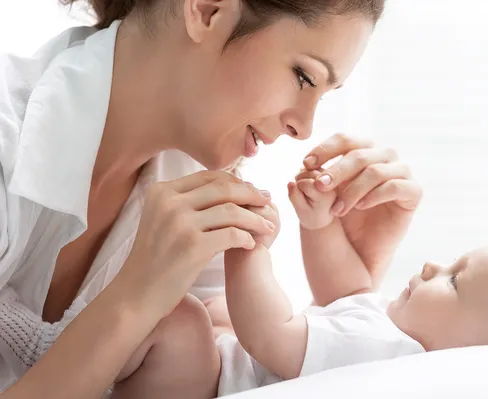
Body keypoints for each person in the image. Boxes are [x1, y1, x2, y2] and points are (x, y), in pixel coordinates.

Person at [0, 0, 427, 397]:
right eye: (304, 76)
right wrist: (133, 300)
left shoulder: (194, 177)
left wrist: (348, 293)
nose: (305, 126)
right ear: (207, 9)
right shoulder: (9, 138)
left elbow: (222, 374)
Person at [215, 169, 488, 396]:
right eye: (453, 263)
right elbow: (348, 293)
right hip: (231, 355)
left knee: (186, 329)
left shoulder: (385, 350)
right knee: (212, 313)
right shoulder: (391, 326)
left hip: (215, 381)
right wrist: (321, 224)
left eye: (454, 282)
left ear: (466, 351)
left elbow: (269, 335)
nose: (433, 266)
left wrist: (248, 248)